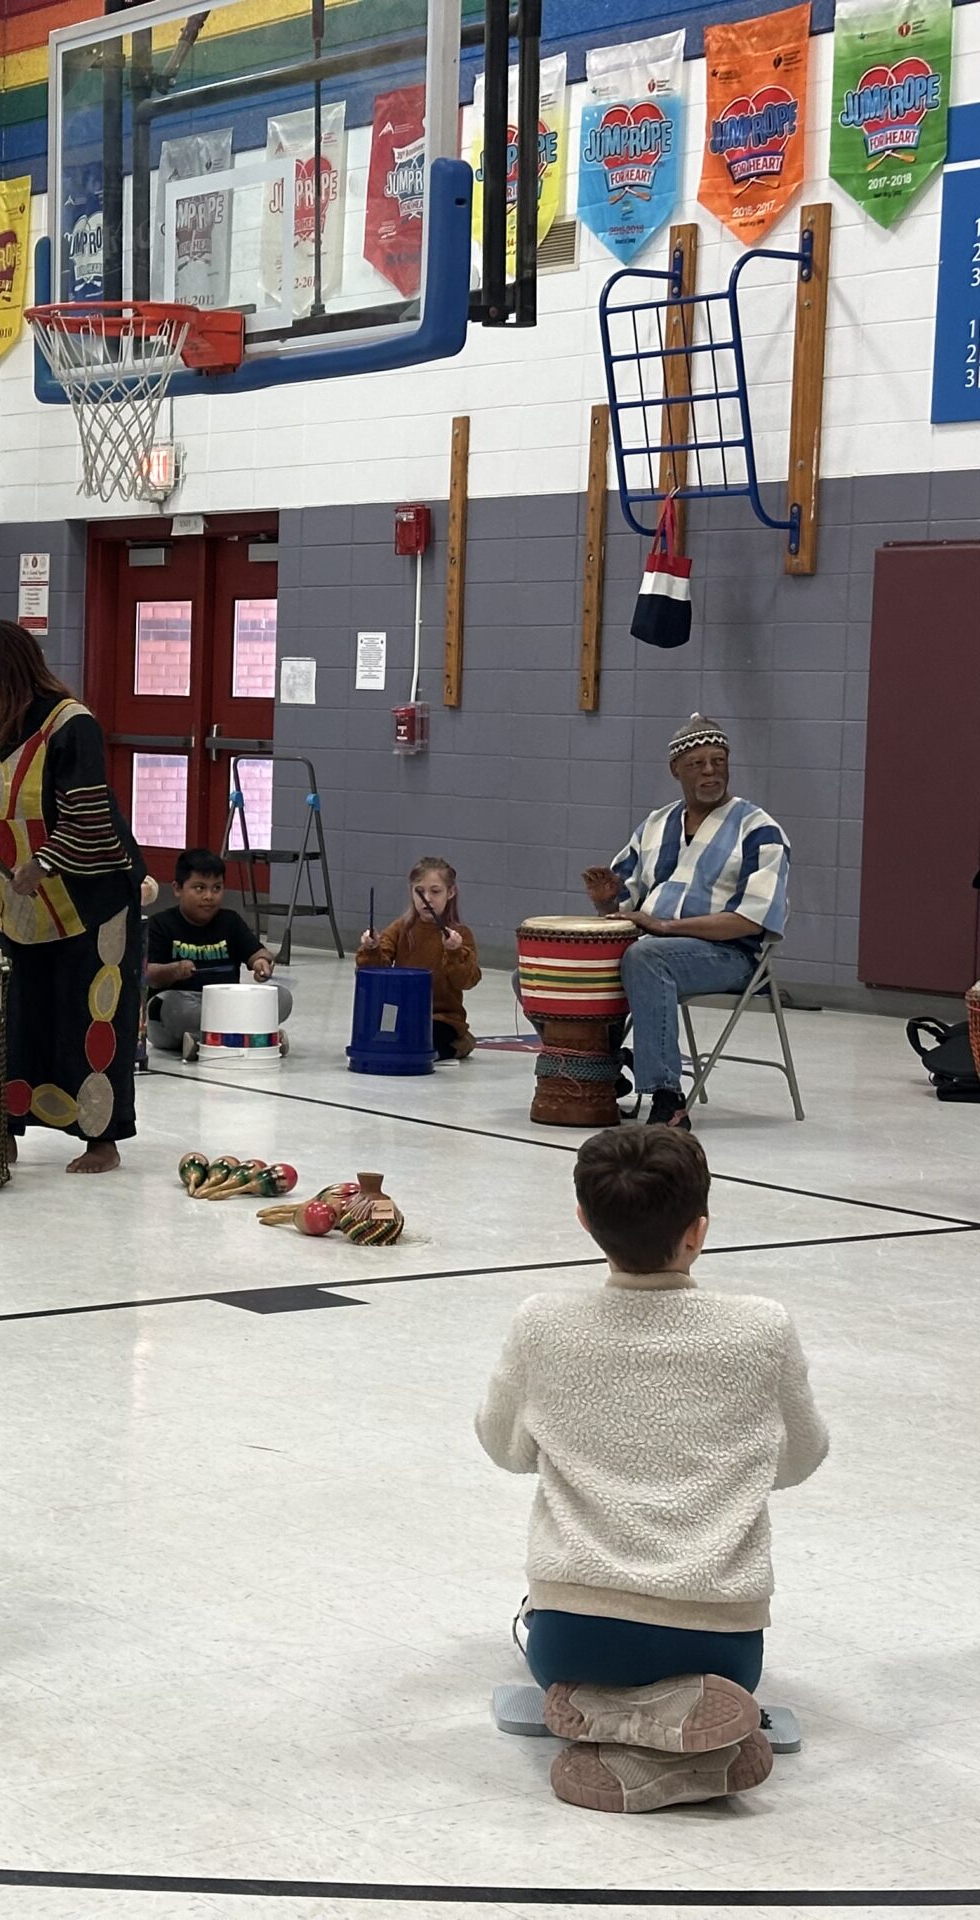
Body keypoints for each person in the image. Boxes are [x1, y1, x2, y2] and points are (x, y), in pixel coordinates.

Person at [477, 1125, 824, 1814]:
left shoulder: (543, 1323)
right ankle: (691, 1740)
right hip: (725, 1650)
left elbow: (504, 1447)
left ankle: (606, 1715)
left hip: (576, 1638)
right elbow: (801, 1456)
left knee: (532, 1632)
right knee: (718, 1673)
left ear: (585, 1221)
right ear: (698, 1230)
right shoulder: (762, 1328)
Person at [0, 621, 148, 1174]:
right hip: (21, 906)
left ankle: (101, 1140)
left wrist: (46, 862)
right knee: (15, 1020)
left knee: (92, 1017)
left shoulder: (70, 725)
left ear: (1, 672)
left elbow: (89, 814)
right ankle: (4, 1131)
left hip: (94, 900)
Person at [582, 715, 791, 1130]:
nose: (710, 771)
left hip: (732, 956)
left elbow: (749, 920)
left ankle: (667, 1096)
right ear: (675, 770)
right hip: (652, 947)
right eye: (697, 763)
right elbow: (627, 905)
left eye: (718, 761)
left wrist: (664, 929)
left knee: (646, 958)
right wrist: (608, 904)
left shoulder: (759, 829)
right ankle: (601, 1069)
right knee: (545, 969)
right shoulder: (656, 825)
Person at [145, 850, 288, 1062]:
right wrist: (174, 970)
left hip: (226, 1003)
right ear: (178, 889)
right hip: (184, 1005)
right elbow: (149, 974)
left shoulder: (230, 921)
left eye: (217, 888)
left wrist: (261, 964)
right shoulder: (160, 924)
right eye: (199, 888)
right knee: (171, 1006)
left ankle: (205, 1040)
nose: (209, 897)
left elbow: (258, 953)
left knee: (282, 997)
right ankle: (256, 1036)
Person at [360, 856, 483, 1060]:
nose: (427, 898)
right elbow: (372, 972)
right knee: (379, 1042)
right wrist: (371, 948)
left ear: (450, 892)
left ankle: (462, 1043)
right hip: (400, 1011)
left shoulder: (460, 934)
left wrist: (454, 952)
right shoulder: (401, 928)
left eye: (435, 891)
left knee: (422, 1047)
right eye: (420, 891)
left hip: (441, 1017)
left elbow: (466, 981)